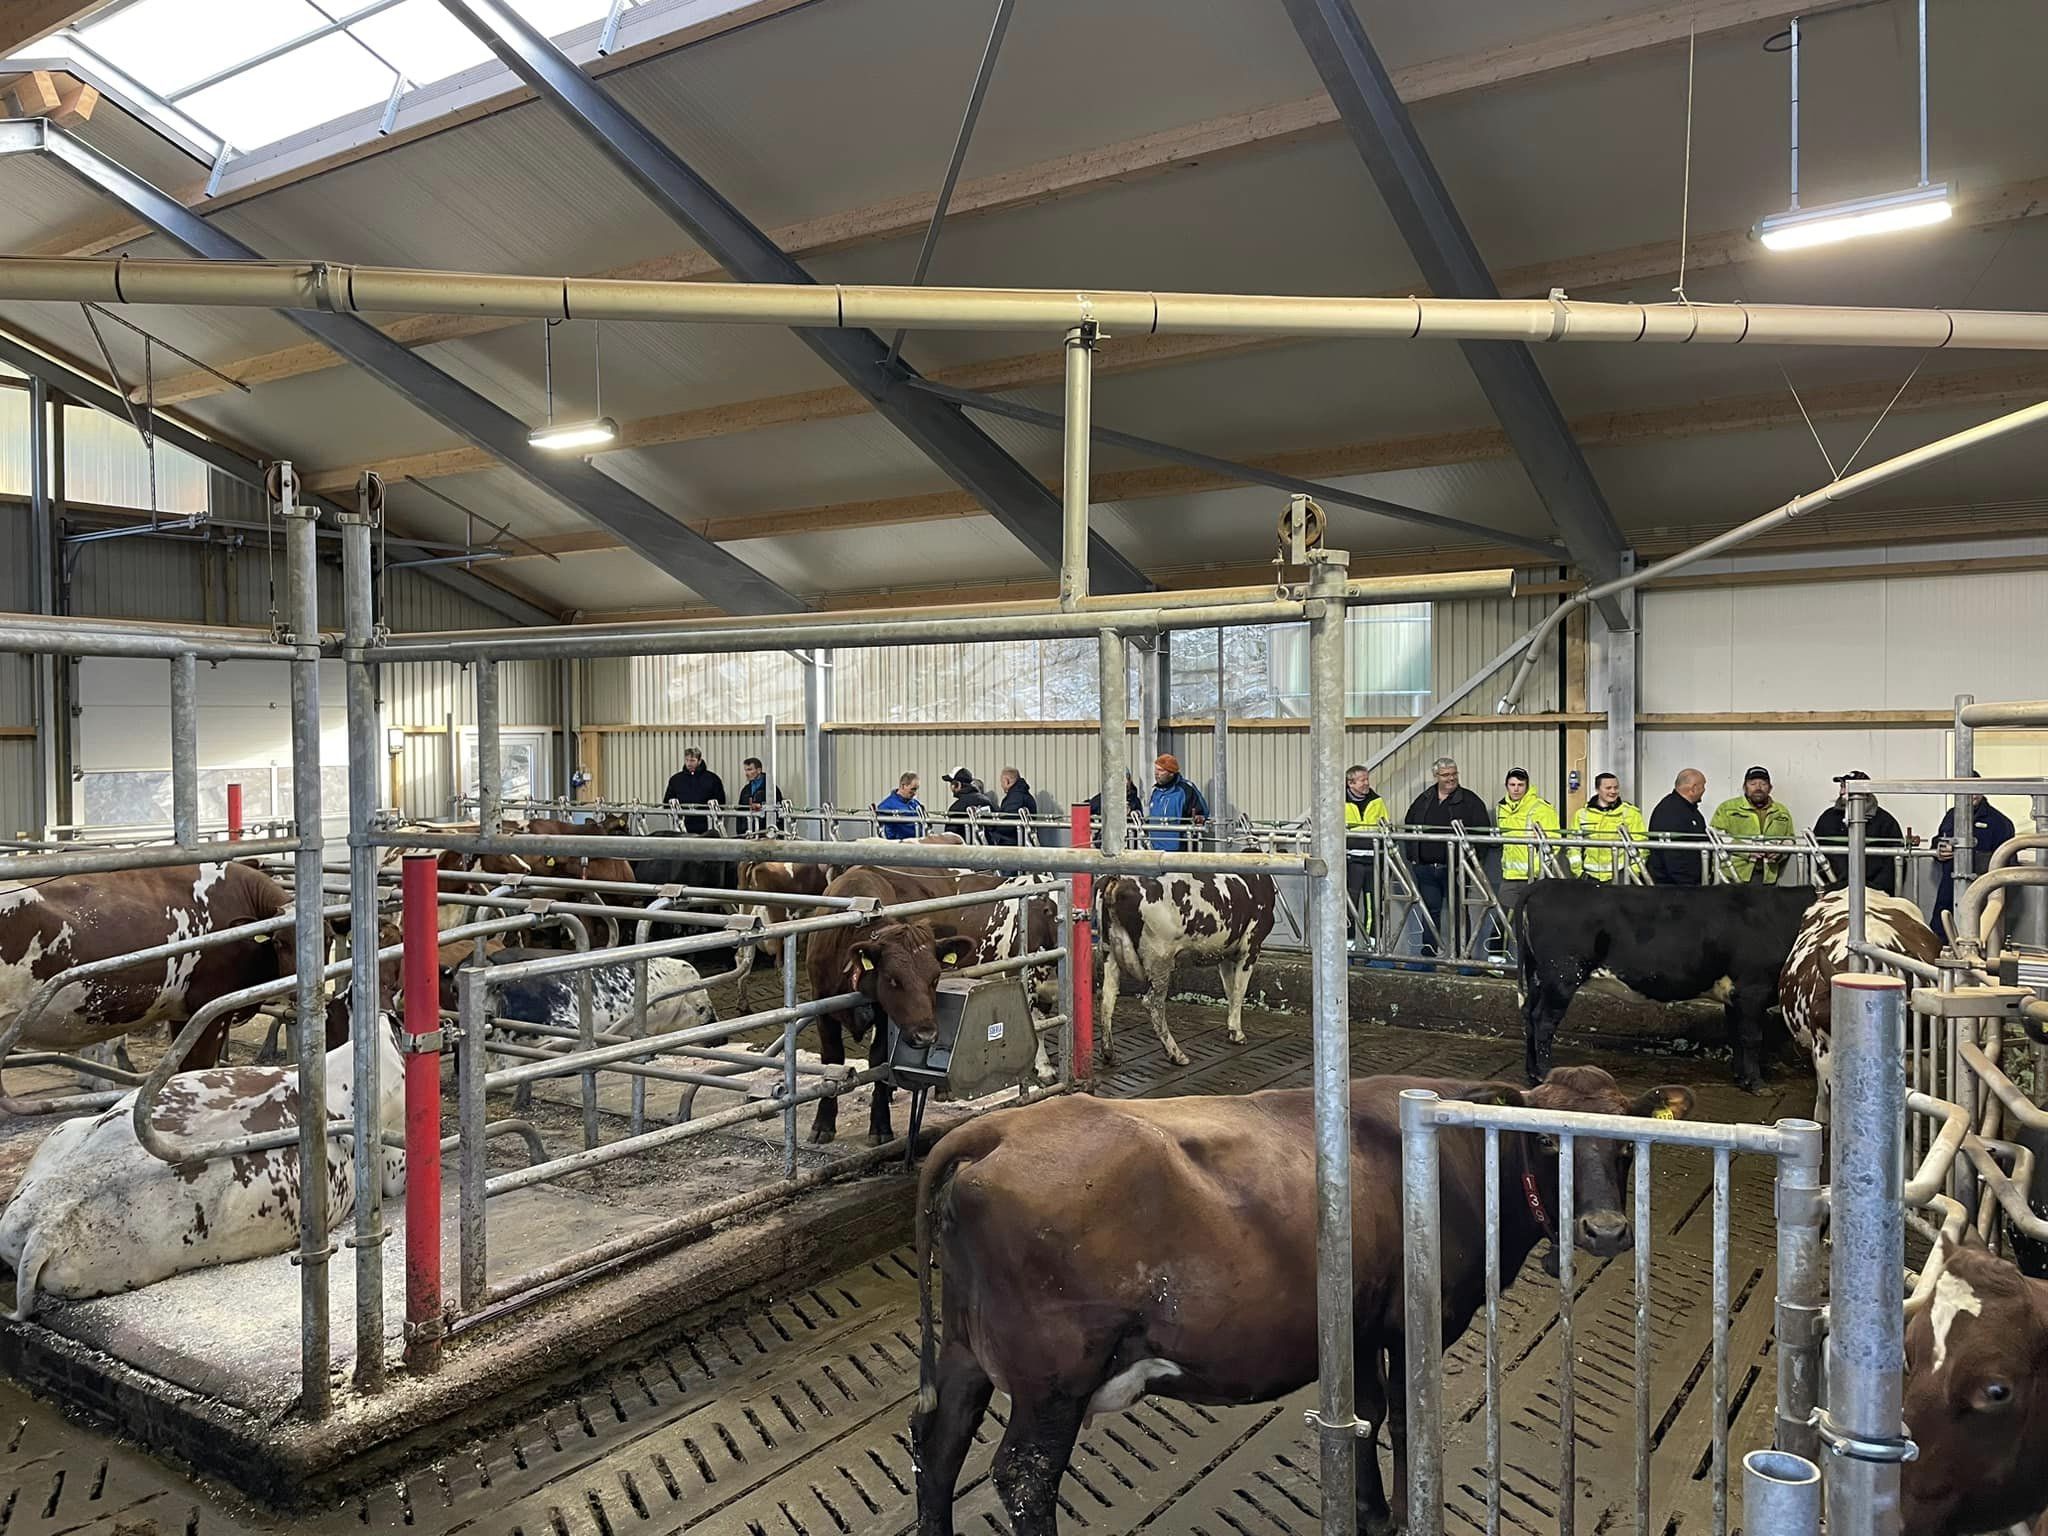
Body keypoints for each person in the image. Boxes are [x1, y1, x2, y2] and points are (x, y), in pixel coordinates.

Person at [1402, 756, 1492, 954]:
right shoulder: (1425, 799)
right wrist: (1414, 857)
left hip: (1457, 869)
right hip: (1426, 869)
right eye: (1445, 775)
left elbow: (1483, 833)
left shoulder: (1470, 801)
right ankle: (1429, 956)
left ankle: (1463, 957)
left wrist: (1469, 864)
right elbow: (1409, 825)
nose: (1451, 778)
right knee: (1429, 912)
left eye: (1454, 774)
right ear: (1436, 776)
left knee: (1459, 912)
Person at [1930, 773, 2016, 937]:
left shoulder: (1999, 823)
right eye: (1968, 789)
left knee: (1979, 938)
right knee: (1941, 936)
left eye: (1977, 788)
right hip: (1949, 891)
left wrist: (1979, 859)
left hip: (1983, 895)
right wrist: (1938, 851)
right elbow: (1938, 840)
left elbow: (2009, 863)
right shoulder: (1951, 816)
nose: (1973, 794)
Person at [1812, 771, 1910, 895]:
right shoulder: (1827, 818)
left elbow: (1895, 860)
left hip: (1874, 894)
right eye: (1842, 786)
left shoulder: (1885, 821)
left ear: (1865, 791)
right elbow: (1814, 852)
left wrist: (1878, 889)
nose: (1842, 792)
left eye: (1847, 787)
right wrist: (1826, 885)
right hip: (1833, 892)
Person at [1710, 766, 1795, 883]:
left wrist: (1780, 851)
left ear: (1770, 788)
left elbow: (1790, 839)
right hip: (1732, 875)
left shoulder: (1781, 811)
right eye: (1753, 784)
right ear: (1744, 787)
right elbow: (1716, 835)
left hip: (1767, 876)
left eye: (1763, 784)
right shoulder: (1727, 808)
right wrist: (1747, 850)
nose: (1758, 788)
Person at [1495, 768, 1560, 906]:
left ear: (1527, 786)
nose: (1516, 789)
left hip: (1535, 875)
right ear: (1506, 786)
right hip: (1510, 875)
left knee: (1533, 913)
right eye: (1512, 785)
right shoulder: (1501, 808)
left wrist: (1538, 867)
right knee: (1506, 908)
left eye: (1520, 785)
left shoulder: (1542, 808)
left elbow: (1554, 841)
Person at [1572, 772, 1648, 882]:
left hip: (1621, 877)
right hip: (1589, 877)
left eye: (1616, 788)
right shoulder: (1582, 814)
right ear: (1597, 789)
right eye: (1608, 788)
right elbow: (1573, 846)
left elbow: (1642, 846)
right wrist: (1578, 872)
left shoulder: (1631, 813)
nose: (1613, 791)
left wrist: (1632, 873)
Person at [1344, 764, 1390, 946]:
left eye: (1367, 779)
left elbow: (1386, 828)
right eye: (1362, 780)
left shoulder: (1377, 802)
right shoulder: (1339, 803)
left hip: (1373, 861)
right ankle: (1349, 946)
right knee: (1349, 905)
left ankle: (1372, 946)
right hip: (1350, 862)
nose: (1366, 783)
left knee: (1374, 906)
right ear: (1350, 783)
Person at [1648, 769, 1710, 885]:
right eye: (1703, 786)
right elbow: (1671, 854)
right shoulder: (1669, 811)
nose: (1704, 790)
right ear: (1694, 788)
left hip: (1688, 883)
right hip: (1675, 887)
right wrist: (1687, 883)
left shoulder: (1689, 810)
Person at [1147, 753, 1209, 853]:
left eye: (1161, 770)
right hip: (1155, 849)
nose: (1156, 773)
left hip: (1179, 850)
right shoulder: (1156, 792)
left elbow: (1201, 813)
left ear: (1171, 773)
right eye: (1155, 769)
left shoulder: (1185, 790)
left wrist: (1199, 818)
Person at [661, 746, 725, 835]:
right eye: (687, 760)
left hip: (706, 828)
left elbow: (720, 803)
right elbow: (667, 803)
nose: (689, 764)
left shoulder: (712, 779)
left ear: (699, 761)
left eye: (692, 760)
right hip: (681, 828)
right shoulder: (675, 780)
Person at [1085, 773, 1142, 849]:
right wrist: (1092, 827)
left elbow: (1140, 820)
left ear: (1129, 781)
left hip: (1127, 843)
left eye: (1125, 779)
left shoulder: (1134, 801)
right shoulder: (1104, 798)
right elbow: (1085, 807)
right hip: (1106, 842)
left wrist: (1131, 811)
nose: (1123, 783)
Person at [984, 767, 1035, 848]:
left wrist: (991, 826)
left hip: (1011, 843)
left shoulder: (1015, 798)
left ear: (1007, 781)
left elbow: (1008, 824)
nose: (1001, 785)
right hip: (1019, 840)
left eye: (1002, 782)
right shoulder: (1024, 795)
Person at [943, 766, 995, 834]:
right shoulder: (987, 801)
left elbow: (950, 835)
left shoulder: (957, 808)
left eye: (952, 784)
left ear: (958, 785)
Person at [876, 771, 923, 840]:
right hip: (900, 844)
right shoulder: (885, 807)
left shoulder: (916, 804)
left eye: (916, 789)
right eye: (912, 789)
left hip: (918, 842)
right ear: (903, 786)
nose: (915, 793)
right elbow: (885, 832)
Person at [736, 756, 776, 831]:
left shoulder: (771, 789)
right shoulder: (745, 790)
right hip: (748, 831)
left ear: (759, 770)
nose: (747, 773)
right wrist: (740, 832)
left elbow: (776, 810)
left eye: (750, 769)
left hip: (765, 831)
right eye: (745, 770)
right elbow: (740, 812)